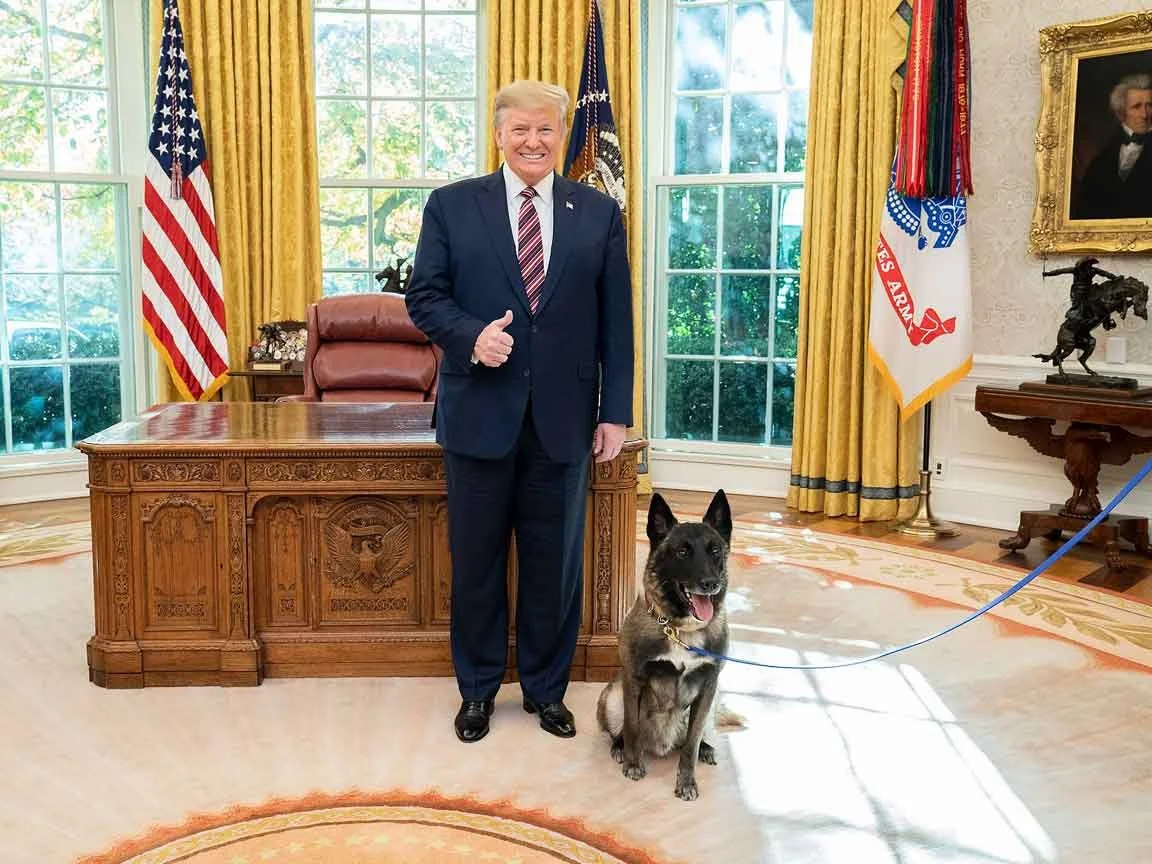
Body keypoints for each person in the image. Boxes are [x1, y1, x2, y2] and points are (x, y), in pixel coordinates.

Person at [405, 80, 634, 744]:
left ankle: (545, 690)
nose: (533, 142)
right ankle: (477, 690)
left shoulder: (597, 212)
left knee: (553, 566)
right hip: (479, 416)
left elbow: (614, 322)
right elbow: (425, 298)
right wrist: (472, 336)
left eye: (545, 130)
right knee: (475, 566)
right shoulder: (452, 207)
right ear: (499, 134)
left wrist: (613, 411)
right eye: (519, 131)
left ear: (561, 135)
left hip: (563, 424)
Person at [1071, 73, 1152, 220]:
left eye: (1150, 105)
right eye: (1136, 107)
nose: (1145, 114)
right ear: (1121, 113)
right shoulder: (1100, 161)